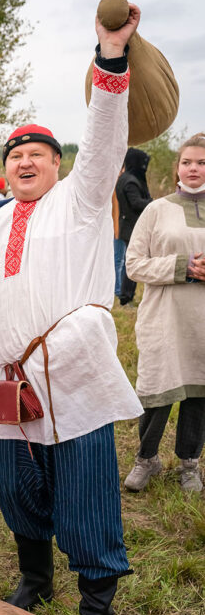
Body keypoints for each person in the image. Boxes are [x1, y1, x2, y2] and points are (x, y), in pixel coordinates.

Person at [0, 5, 143, 615]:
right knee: (16, 486)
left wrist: (110, 56)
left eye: (39, 153)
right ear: (5, 169)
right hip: (10, 380)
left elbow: (103, 140)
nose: (27, 162)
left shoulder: (83, 197)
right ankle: (35, 578)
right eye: (17, 156)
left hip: (73, 373)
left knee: (87, 492)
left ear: (58, 163)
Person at [123, 133, 205, 494]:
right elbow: (133, 265)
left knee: (199, 392)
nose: (194, 168)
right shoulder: (156, 210)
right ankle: (147, 458)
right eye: (187, 162)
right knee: (157, 391)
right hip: (164, 317)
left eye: (202, 163)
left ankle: (190, 463)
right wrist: (182, 267)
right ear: (177, 166)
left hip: (201, 321)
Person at [115, 148, 152, 305]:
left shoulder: (124, 178)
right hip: (132, 227)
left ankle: (125, 295)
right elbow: (136, 203)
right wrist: (155, 203)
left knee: (127, 261)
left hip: (128, 226)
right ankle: (125, 297)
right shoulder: (130, 181)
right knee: (132, 263)